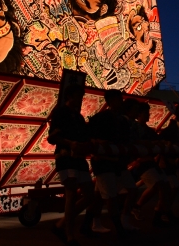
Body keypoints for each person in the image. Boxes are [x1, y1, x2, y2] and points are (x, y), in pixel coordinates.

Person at [47, 84, 94, 245]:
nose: (81, 99)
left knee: (89, 195)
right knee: (71, 193)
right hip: (65, 157)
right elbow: (52, 138)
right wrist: (70, 143)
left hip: (79, 158)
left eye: (81, 96)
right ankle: (69, 234)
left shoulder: (79, 117)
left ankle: (61, 225)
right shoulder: (60, 113)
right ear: (70, 96)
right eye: (78, 96)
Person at [87, 89, 134, 237]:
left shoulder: (119, 119)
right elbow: (89, 136)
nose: (121, 102)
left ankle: (92, 223)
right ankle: (118, 226)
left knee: (102, 196)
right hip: (104, 163)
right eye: (119, 99)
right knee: (109, 196)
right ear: (111, 101)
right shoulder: (103, 118)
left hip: (113, 162)